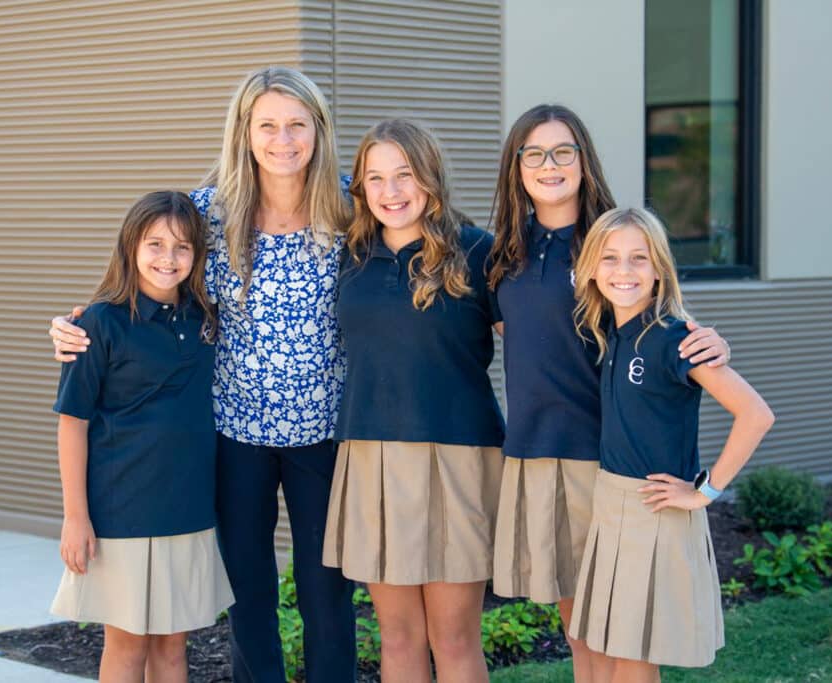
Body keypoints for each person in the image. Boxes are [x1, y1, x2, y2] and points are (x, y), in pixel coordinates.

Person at [49, 66, 356, 683]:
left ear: (319, 130)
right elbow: (143, 267)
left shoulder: (352, 206)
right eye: (267, 125)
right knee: (248, 593)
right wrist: (78, 322)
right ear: (244, 131)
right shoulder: (206, 212)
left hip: (324, 431)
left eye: (297, 125)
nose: (283, 140)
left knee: (327, 594)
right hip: (232, 432)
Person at [486, 104, 730, 682]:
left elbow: (659, 314)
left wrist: (711, 342)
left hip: (606, 461)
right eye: (534, 153)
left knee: (622, 637)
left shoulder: (608, 240)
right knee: (579, 630)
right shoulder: (503, 254)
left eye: (563, 151)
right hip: (539, 453)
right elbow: (513, 336)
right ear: (516, 166)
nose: (549, 165)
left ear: (584, 160)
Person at [322, 119, 504, 683]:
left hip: (458, 455)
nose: (391, 191)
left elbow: (545, 337)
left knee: (454, 638)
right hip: (371, 456)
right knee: (398, 638)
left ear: (430, 176)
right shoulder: (350, 254)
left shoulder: (478, 251)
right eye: (375, 178)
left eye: (404, 174)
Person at [568, 207, 774, 682]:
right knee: (611, 651)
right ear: (592, 268)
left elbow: (756, 414)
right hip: (611, 503)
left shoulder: (675, 338)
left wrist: (704, 491)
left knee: (634, 658)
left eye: (639, 258)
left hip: (653, 510)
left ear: (659, 269)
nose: (623, 270)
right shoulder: (611, 331)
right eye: (610, 257)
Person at [50, 191, 234, 683]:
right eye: (155, 244)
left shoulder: (205, 318)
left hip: (189, 509)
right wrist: (75, 516)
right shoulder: (99, 323)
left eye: (182, 247)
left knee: (173, 647)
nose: (168, 258)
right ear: (130, 245)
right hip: (121, 511)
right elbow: (72, 422)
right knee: (128, 644)